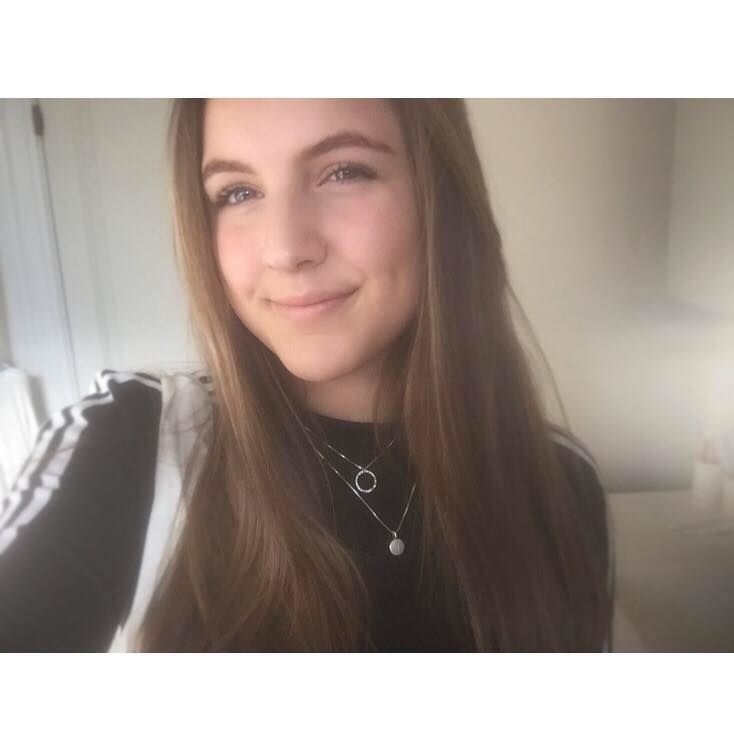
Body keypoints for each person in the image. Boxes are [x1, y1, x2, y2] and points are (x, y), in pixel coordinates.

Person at [0, 99, 612, 652]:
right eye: (238, 192)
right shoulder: (131, 439)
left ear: (439, 196)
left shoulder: (561, 482)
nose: (286, 249)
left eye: (344, 171)